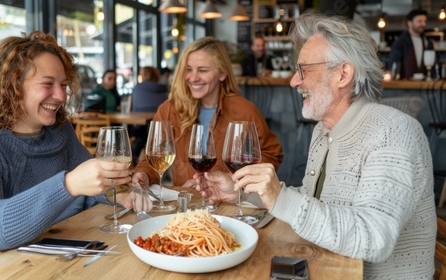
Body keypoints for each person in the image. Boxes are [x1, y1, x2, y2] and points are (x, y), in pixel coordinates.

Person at [197, 13, 436, 279]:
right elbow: (315, 201)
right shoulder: (324, 130)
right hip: (326, 264)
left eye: (304, 70)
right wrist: (246, 192)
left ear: (343, 74)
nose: (294, 81)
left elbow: (375, 239)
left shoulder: (393, 131)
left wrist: (280, 197)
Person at [0, 31, 137, 275]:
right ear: (11, 87)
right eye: (48, 84)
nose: (60, 96)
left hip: (49, 259)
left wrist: (118, 194)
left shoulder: (59, 130)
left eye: (63, 85)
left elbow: (87, 191)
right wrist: (68, 184)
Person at [132, 36, 283, 189]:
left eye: (203, 70)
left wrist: (234, 179)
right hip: (186, 205)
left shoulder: (244, 110)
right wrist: (144, 174)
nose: (193, 78)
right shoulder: (169, 109)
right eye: (189, 69)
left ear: (222, 74)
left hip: (228, 203)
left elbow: (272, 153)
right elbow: (151, 156)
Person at [130, 66, 168, 164]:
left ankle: (134, 158)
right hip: (162, 130)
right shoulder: (165, 89)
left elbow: (132, 109)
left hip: (140, 127)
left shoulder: (137, 89)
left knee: (140, 135)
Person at [388, 8, 435, 80]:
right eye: (419, 21)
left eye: (425, 21)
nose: (423, 24)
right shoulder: (400, 42)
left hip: (423, 86)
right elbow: (394, 66)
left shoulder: (428, 42)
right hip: (404, 86)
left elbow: (433, 67)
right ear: (409, 23)